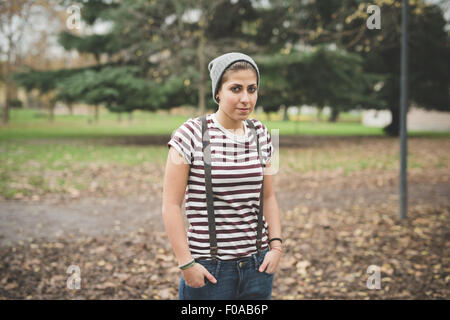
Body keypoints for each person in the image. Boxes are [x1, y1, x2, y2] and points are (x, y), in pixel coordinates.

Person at [162, 52, 282, 300]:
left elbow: (268, 196)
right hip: (210, 270)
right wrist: (186, 263)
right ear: (218, 92)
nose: (246, 99)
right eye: (235, 89)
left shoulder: (261, 133)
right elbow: (170, 205)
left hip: (257, 267)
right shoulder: (190, 134)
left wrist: (276, 247)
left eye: (252, 89)